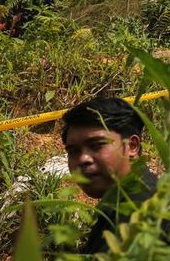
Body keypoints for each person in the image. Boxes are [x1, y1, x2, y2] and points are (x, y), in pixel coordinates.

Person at [61, 97, 157, 254]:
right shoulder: (119, 205)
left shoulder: (141, 211)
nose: (83, 159)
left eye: (97, 145)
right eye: (73, 151)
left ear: (132, 146)